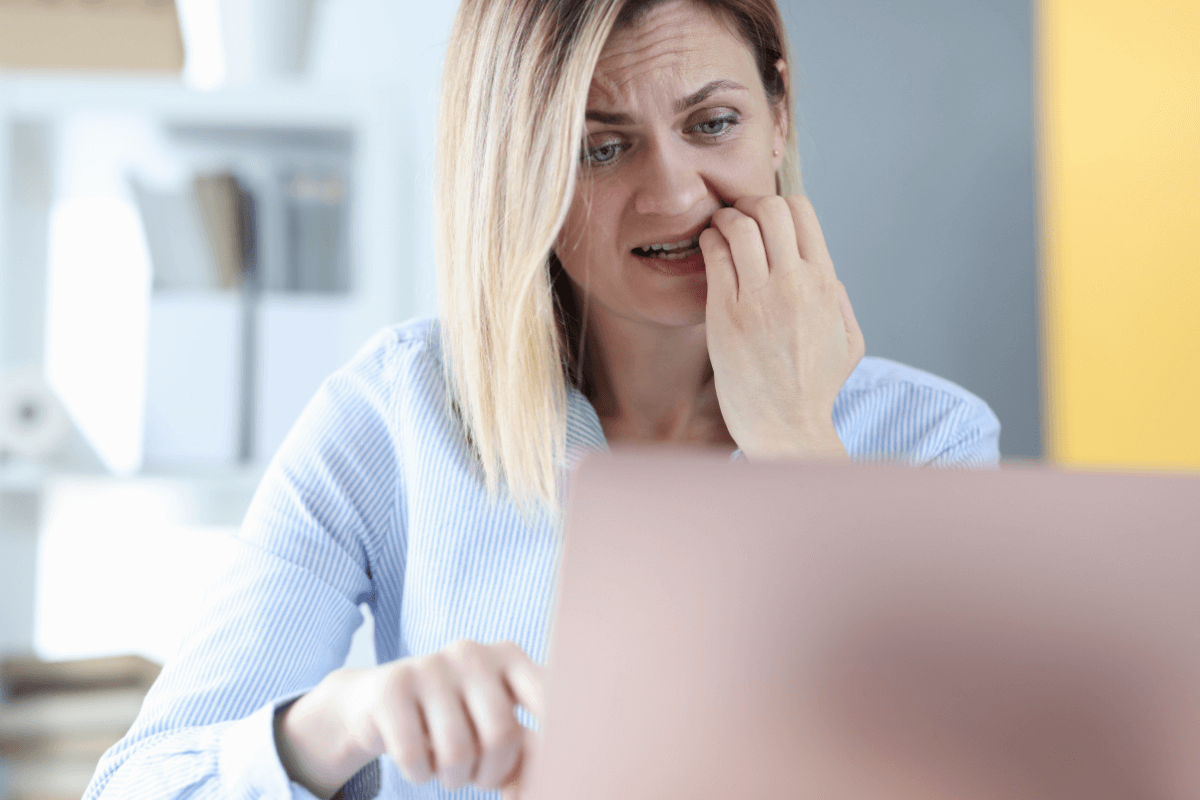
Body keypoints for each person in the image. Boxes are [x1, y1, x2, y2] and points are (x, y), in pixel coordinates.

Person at [84, 0, 1000, 797]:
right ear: (519, 173)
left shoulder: (929, 440)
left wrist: (796, 443)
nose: (676, 192)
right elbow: (140, 786)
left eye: (714, 124)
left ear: (780, 114)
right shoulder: (391, 417)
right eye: (602, 148)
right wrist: (342, 721)